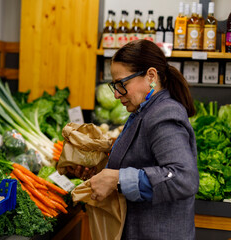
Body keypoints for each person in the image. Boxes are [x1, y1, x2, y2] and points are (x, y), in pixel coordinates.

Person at [70, 39, 199, 239]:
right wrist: (99, 174)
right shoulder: (143, 111)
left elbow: (183, 178)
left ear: (151, 76)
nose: (116, 95)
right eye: (115, 86)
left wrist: (117, 179)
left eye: (122, 84)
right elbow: (140, 162)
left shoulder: (164, 114)